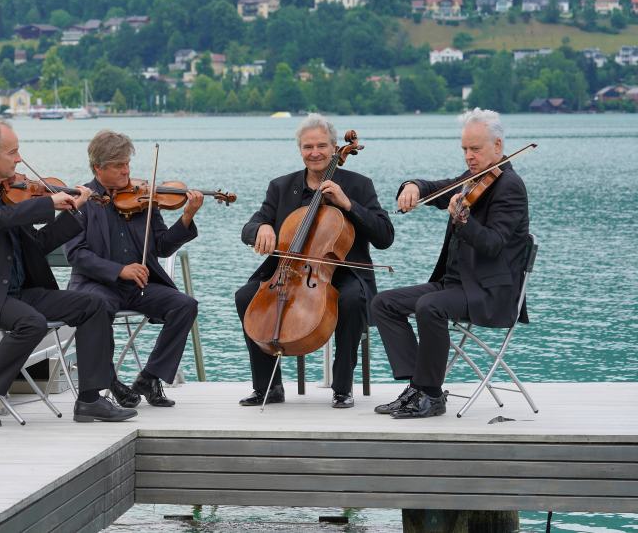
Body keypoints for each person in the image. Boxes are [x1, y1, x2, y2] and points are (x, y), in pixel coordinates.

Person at [0, 121, 137, 427]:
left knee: (93, 305)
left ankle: (90, 399)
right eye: (13, 152)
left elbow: (37, 244)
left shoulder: (13, 195)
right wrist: (48, 201)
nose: (19, 158)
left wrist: (76, 211)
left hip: (21, 292)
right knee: (32, 323)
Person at [371, 108, 530, 419]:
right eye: (465, 149)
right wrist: (413, 186)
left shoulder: (510, 186)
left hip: (489, 291)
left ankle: (430, 394)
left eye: (476, 149)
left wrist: (462, 219)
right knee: (383, 303)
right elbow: (436, 189)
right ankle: (419, 387)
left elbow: (493, 244)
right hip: (455, 285)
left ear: (497, 146)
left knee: (430, 306)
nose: (469, 156)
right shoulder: (473, 179)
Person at [235, 113, 394, 409]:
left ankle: (342, 387)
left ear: (335, 148)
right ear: (300, 150)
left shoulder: (359, 186)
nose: (315, 153)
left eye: (322, 145)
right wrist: (262, 228)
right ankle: (268, 387)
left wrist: (348, 205)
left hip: (345, 271)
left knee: (351, 300)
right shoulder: (281, 187)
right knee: (246, 296)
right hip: (290, 272)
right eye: (308, 147)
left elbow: (385, 236)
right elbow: (250, 226)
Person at [65, 130, 202, 408]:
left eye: (127, 163)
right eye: (118, 165)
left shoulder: (142, 197)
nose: (126, 171)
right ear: (98, 168)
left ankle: (150, 377)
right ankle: (110, 381)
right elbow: (77, 255)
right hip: (97, 285)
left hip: (138, 287)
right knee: (97, 306)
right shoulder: (79, 200)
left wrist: (186, 218)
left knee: (184, 305)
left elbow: (162, 247)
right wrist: (119, 270)